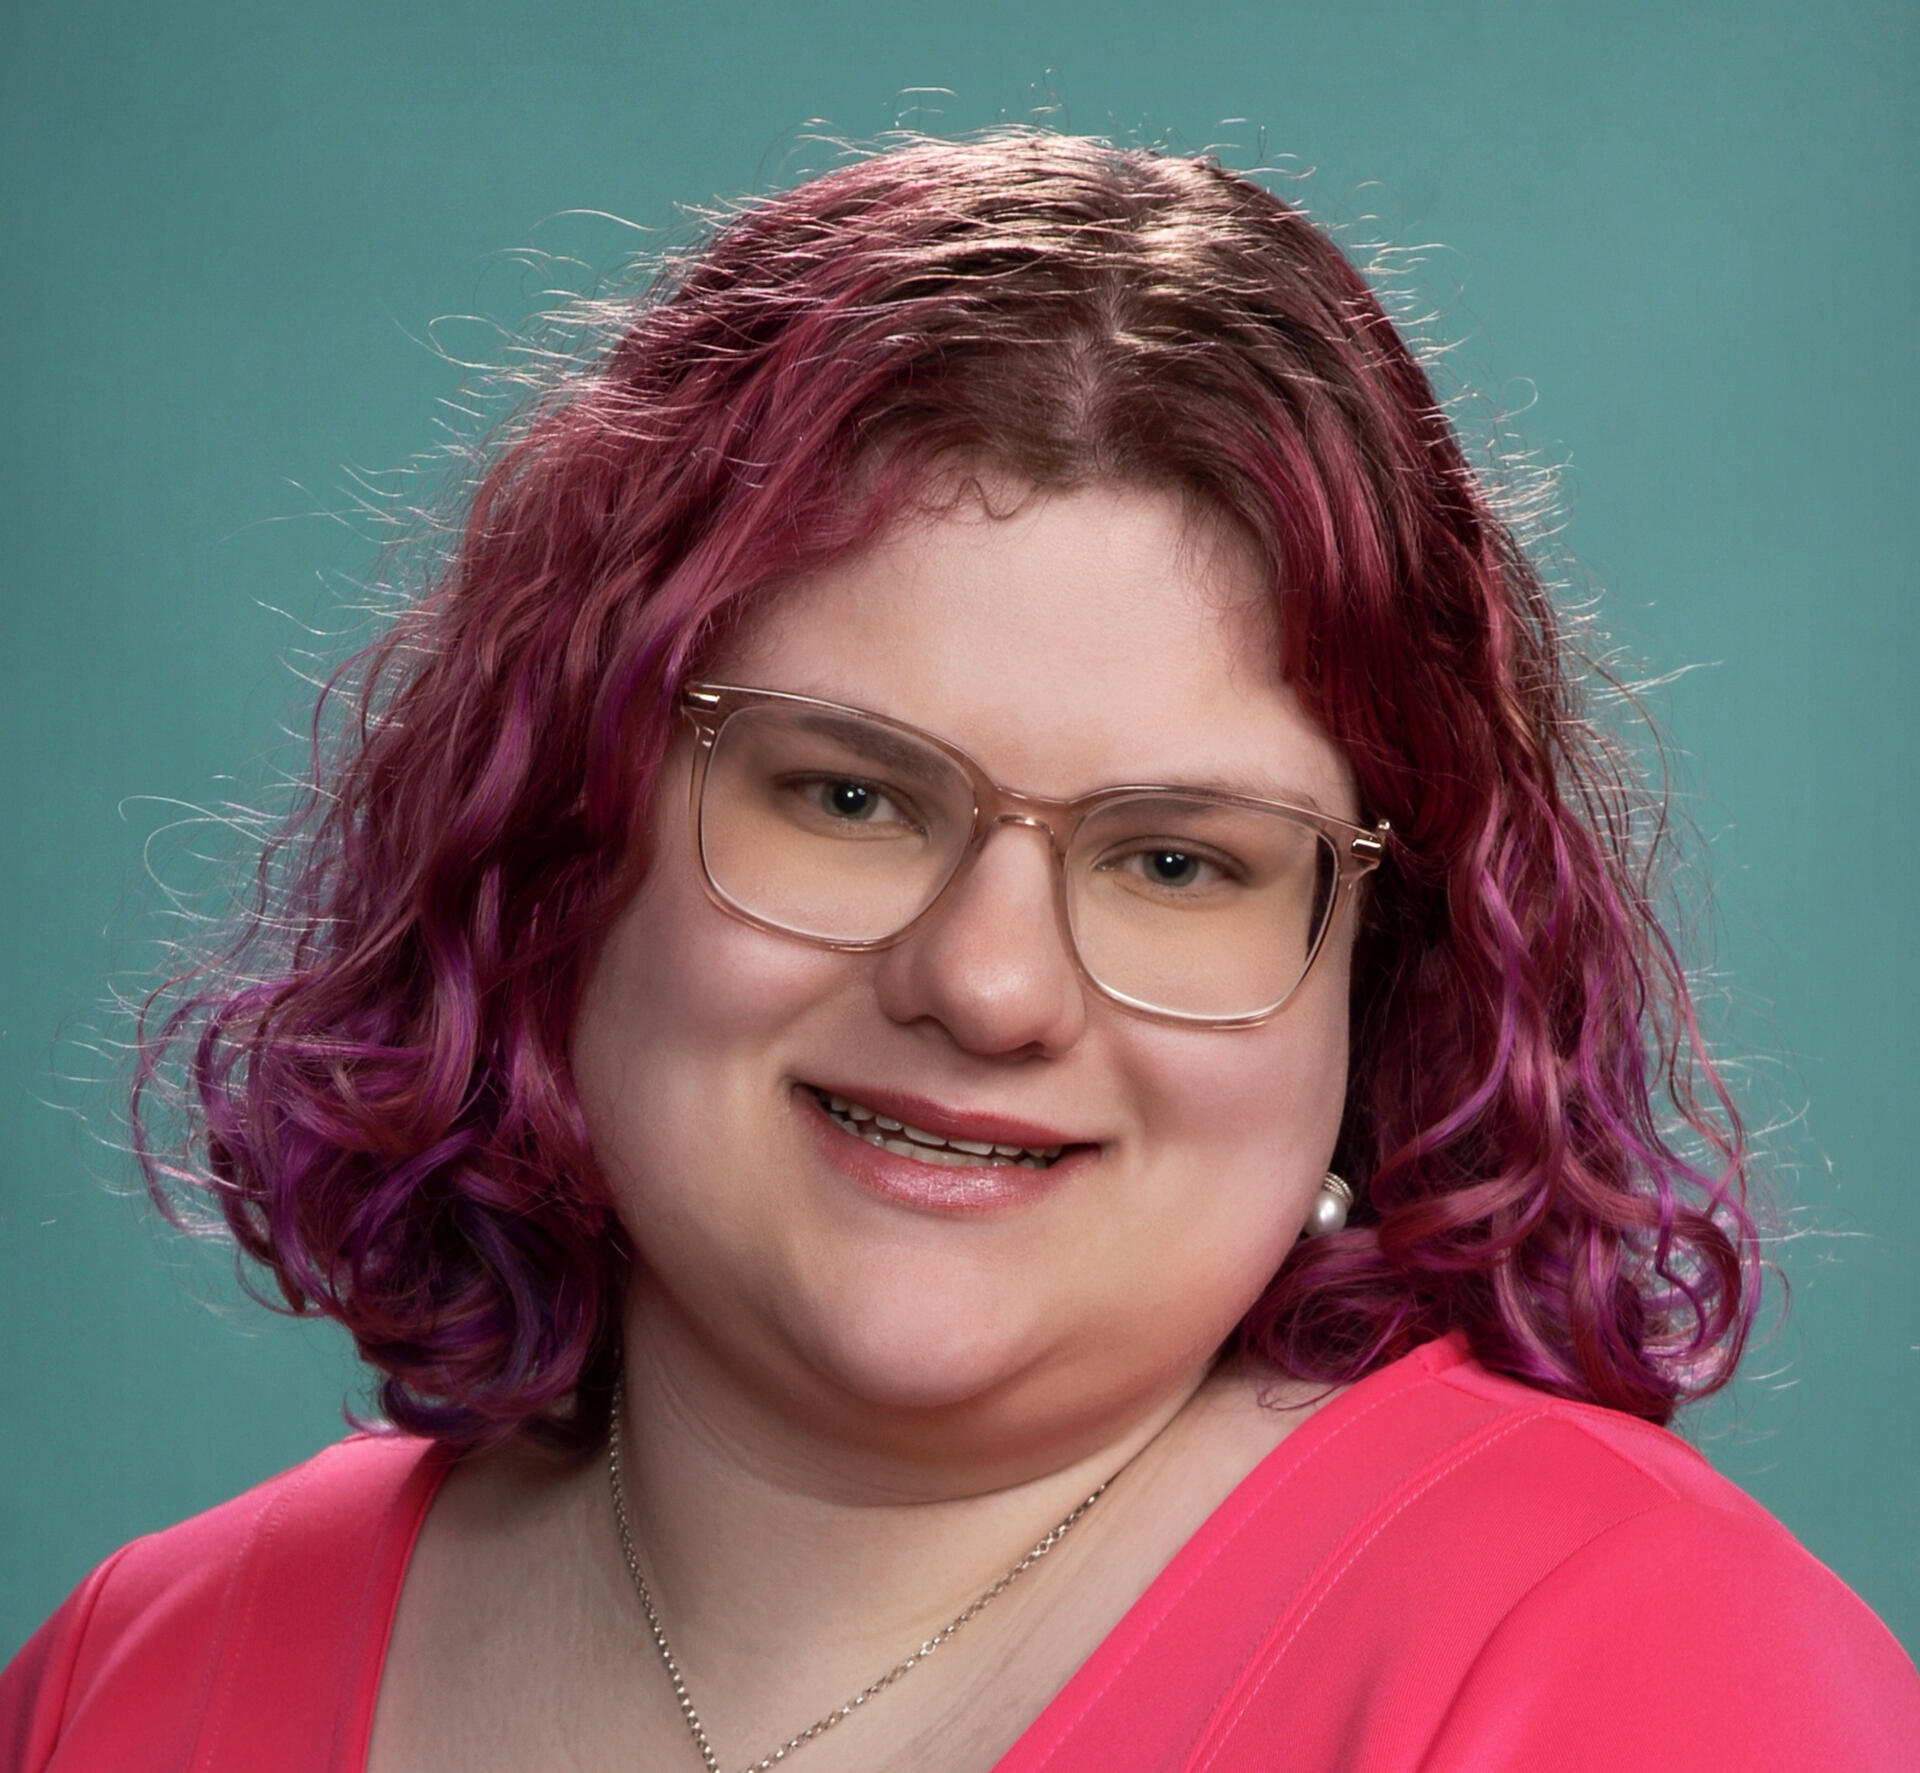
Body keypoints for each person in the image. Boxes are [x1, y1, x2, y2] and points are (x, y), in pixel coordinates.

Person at [3, 129, 1916, 1773]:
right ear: (562, 833)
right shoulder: (130, 1679)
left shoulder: (1640, 1677)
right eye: (845, 799)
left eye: (1178, 859)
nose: (987, 986)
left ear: (1380, 972)